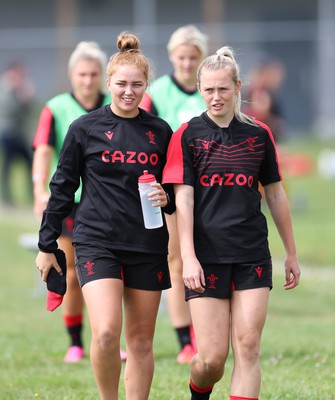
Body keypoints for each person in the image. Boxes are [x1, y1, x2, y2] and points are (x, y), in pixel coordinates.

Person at [35, 32, 174, 400]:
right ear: (108, 82)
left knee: (142, 341)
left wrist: (166, 196)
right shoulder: (85, 128)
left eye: (137, 85)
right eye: (122, 84)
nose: (129, 91)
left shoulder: (160, 132)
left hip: (147, 242)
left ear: (147, 87)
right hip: (97, 241)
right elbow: (62, 187)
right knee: (108, 332)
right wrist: (46, 244)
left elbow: (177, 192)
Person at [162, 46, 301, 400]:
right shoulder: (187, 135)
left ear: (238, 87)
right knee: (211, 359)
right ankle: (198, 393)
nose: (215, 97)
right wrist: (188, 256)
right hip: (206, 256)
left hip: (251, 253)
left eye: (223, 89)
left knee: (249, 345)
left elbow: (275, 195)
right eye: (208, 89)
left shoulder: (258, 135)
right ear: (199, 89)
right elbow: (184, 200)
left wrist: (291, 253)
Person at [32, 41, 127, 362]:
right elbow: (43, 151)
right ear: (73, 75)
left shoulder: (117, 104)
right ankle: (75, 341)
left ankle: (111, 336)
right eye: (82, 74)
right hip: (71, 200)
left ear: (103, 76)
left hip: (111, 203)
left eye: (93, 74)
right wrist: (37, 191)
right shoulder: (56, 107)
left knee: (118, 272)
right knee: (71, 270)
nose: (88, 80)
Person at [140, 24, 208, 364]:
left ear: (201, 57)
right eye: (181, 56)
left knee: (209, 255)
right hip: (173, 185)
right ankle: (186, 339)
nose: (186, 62)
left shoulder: (210, 89)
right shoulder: (159, 92)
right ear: (172, 56)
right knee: (177, 257)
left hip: (211, 188)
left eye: (192, 56)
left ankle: (208, 329)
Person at [0, 61, 35, 206]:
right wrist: (20, 97)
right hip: (8, 134)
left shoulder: (19, 90)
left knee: (30, 164)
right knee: (7, 167)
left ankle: (32, 195)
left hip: (19, 135)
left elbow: (27, 111)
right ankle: (6, 198)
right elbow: (9, 110)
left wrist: (27, 98)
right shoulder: (5, 89)